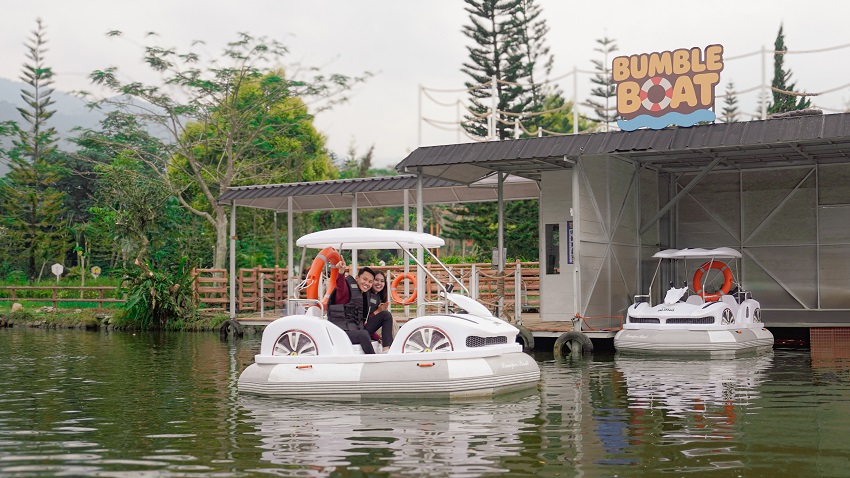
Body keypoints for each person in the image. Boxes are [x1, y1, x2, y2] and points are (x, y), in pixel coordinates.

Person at [328, 261, 392, 354]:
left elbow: (363, 322)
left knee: (386, 315)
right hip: (341, 332)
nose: (367, 283)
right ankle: (373, 360)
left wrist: (379, 339)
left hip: (357, 330)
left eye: (370, 282)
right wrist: (341, 272)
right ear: (357, 278)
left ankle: (387, 351)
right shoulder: (345, 291)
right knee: (363, 334)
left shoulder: (362, 296)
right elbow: (340, 286)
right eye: (364, 279)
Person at [366, 270, 395, 351]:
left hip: (368, 330)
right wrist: (378, 311)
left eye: (382, 281)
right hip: (360, 330)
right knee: (386, 315)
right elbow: (364, 320)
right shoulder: (366, 295)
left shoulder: (378, 297)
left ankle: (391, 346)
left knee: (391, 319)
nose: (379, 283)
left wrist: (378, 338)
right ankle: (386, 349)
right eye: (376, 280)